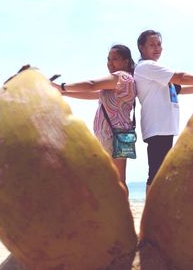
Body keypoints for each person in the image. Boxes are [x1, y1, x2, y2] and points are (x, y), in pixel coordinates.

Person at [52, 44, 136, 196]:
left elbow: (91, 85)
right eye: (108, 59)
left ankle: (119, 215)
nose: (110, 63)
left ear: (125, 61)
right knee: (116, 180)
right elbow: (93, 94)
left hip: (114, 136)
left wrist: (61, 86)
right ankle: (118, 214)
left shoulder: (122, 77)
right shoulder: (120, 82)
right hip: (121, 135)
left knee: (116, 180)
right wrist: (63, 93)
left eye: (115, 59)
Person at [134, 30, 193, 194]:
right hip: (157, 127)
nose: (157, 48)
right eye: (152, 45)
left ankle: (154, 213)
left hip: (164, 128)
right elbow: (181, 77)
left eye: (159, 44)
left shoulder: (156, 74)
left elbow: (181, 89)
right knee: (156, 174)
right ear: (141, 47)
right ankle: (151, 215)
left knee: (160, 173)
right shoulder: (148, 66)